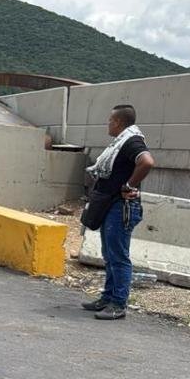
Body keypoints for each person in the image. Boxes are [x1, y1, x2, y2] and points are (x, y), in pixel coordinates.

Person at [81, 104, 155, 320]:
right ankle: (108, 297)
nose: (108, 124)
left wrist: (130, 186)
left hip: (121, 207)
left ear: (119, 122)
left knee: (118, 256)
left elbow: (147, 162)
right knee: (109, 254)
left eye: (110, 120)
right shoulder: (121, 142)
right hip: (110, 204)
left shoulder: (132, 141)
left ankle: (118, 304)